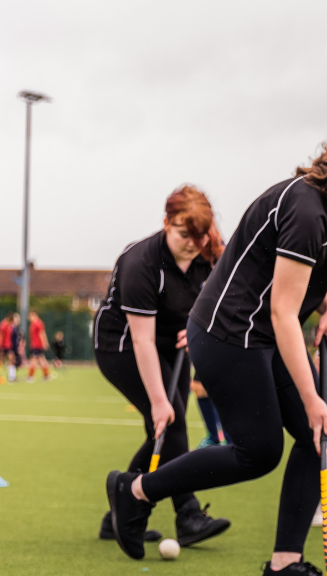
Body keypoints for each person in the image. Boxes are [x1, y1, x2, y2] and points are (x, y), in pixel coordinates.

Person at [106, 119, 327, 575]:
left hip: (260, 335)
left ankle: (285, 564)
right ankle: (135, 492)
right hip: (229, 337)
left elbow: (293, 271)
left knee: (317, 435)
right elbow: (283, 312)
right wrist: (311, 397)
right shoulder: (308, 207)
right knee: (260, 452)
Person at [95, 185, 230, 547]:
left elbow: (230, 294)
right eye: (184, 234)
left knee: (167, 427)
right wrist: (158, 400)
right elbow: (142, 340)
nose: (193, 244)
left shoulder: (213, 251)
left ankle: (117, 513)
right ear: (167, 223)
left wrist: (201, 323)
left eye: (201, 236)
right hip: (122, 346)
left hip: (172, 345)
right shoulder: (140, 263)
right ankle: (187, 514)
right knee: (170, 420)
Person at [26, 311, 51, 382]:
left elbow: (42, 333)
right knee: (42, 360)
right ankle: (46, 375)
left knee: (34, 360)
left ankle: (30, 376)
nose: (29, 318)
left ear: (34, 315)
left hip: (37, 345)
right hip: (34, 345)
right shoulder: (33, 324)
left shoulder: (38, 323)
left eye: (30, 316)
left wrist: (45, 343)